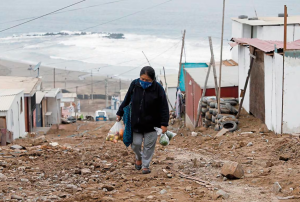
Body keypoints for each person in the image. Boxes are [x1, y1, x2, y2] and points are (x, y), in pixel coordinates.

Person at [116, 66, 169, 174]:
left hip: (152, 124)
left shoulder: (158, 89)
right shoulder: (135, 84)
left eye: (147, 80)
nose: (144, 82)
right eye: (142, 79)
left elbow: (164, 107)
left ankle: (145, 165)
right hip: (136, 123)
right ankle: (138, 158)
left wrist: (164, 124)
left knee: (149, 146)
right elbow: (127, 99)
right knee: (135, 144)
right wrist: (120, 112)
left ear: (153, 79)